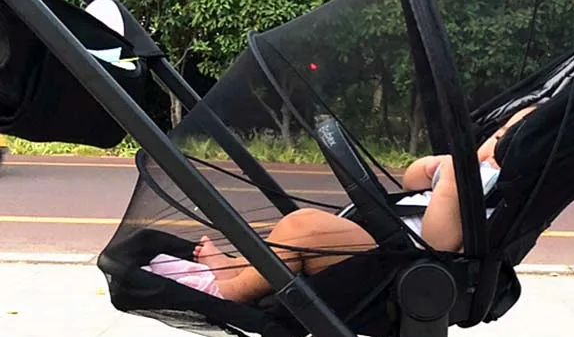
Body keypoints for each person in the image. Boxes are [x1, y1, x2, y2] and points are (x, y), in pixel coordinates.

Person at [146, 106, 535, 303]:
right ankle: (237, 267)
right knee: (294, 234)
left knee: (303, 228)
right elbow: (411, 184)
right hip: (387, 243)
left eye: (507, 145)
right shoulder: (469, 168)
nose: (493, 148)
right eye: (497, 135)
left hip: (407, 264)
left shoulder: (490, 190)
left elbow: (440, 242)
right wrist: (432, 167)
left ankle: (230, 292)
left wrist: (450, 184)